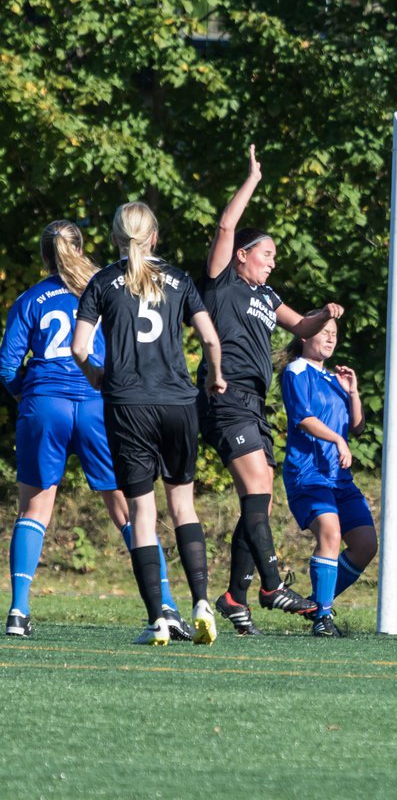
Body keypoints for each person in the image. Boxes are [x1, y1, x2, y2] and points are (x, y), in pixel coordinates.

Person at [2, 221, 191, 639]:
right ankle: (165, 606)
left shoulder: (30, 298)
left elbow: (6, 366)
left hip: (43, 404)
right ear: (83, 247)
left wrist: (28, 395)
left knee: (33, 511)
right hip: (96, 404)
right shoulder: (108, 286)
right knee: (129, 509)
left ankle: (18, 612)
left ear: (44, 255)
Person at [199, 146, 344, 634]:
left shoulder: (266, 295)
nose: (272, 263)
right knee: (257, 488)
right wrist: (253, 179)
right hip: (225, 394)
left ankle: (233, 596)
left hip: (253, 404)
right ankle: (270, 584)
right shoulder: (222, 282)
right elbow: (224, 228)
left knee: (255, 500)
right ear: (242, 255)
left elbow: (302, 325)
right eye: (266, 254)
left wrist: (326, 314)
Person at [71, 201, 225, 645]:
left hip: (128, 405)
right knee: (184, 506)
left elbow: (80, 347)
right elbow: (210, 338)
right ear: (154, 237)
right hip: (178, 402)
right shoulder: (178, 279)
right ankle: (201, 602)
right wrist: (215, 377)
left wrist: (97, 376)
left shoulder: (102, 282)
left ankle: (158, 617)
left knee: (142, 512)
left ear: (117, 239)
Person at [279, 318, 378, 637]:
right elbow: (303, 418)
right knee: (331, 534)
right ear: (306, 335)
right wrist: (337, 440)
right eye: (325, 332)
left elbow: (357, 427)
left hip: (339, 479)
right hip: (308, 475)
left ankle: (316, 602)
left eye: (335, 334)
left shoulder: (336, 379)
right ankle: (322, 617)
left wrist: (353, 393)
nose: (331, 339)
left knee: (365, 545)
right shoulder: (296, 371)